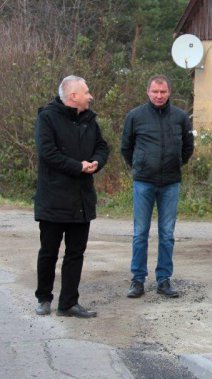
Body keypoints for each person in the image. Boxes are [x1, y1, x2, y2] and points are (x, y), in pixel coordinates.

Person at [34, 75, 109, 318]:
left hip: (81, 200)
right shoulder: (47, 117)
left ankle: (68, 303)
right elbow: (48, 153)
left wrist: (96, 162)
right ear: (73, 95)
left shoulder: (90, 119)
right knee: (49, 251)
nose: (91, 96)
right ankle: (44, 298)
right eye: (87, 92)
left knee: (75, 253)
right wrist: (78, 166)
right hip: (53, 198)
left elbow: (102, 146)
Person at [121, 75, 194, 299]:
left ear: (169, 92)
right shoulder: (135, 116)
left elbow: (188, 148)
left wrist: (175, 163)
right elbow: (126, 147)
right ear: (148, 92)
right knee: (140, 233)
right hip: (144, 181)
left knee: (167, 234)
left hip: (170, 182)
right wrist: (140, 165)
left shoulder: (181, 117)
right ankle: (137, 280)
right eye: (155, 92)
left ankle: (164, 279)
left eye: (163, 92)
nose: (159, 96)